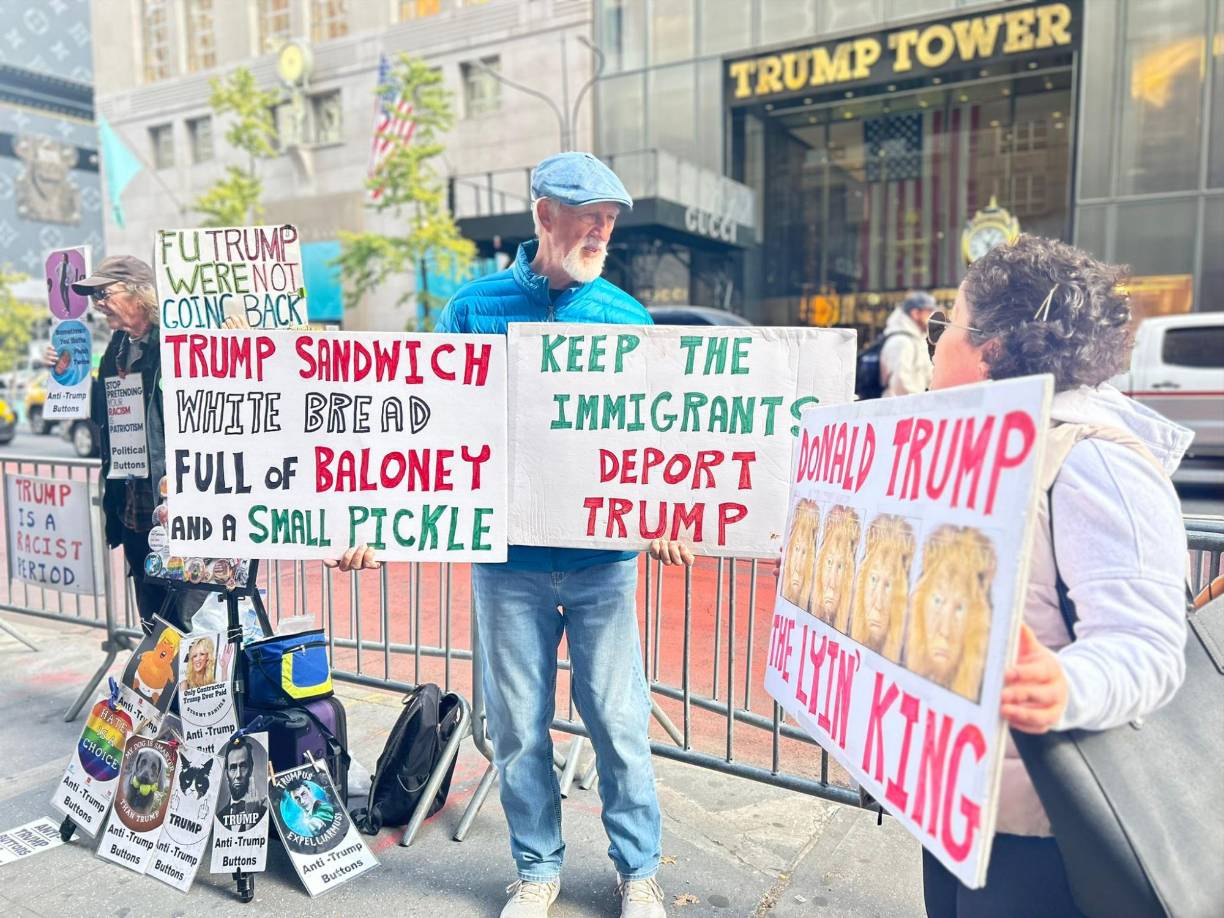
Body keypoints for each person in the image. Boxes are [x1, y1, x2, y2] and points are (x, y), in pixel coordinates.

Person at [332, 152, 694, 918]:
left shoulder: (629, 318)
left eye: (609, 217)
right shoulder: (471, 310)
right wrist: (371, 521)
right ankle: (537, 870)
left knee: (620, 723)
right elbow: (420, 433)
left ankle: (641, 874)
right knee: (520, 732)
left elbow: (654, 440)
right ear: (543, 216)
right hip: (508, 568)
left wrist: (664, 507)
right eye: (586, 213)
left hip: (603, 565)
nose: (601, 228)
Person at [921, 234, 1189, 916]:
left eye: (943, 324)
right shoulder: (960, 446)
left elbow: (1148, 645)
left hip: (1044, 827)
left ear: (991, 349)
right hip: (957, 799)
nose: (935, 341)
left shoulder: (1097, 462)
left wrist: (1067, 683)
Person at [65, 256, 194, 629]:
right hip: (134, 508)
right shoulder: (116, 349)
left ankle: (197, 688)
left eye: (104, 293)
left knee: (190, 621)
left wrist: (239, 335)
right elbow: (99, 415)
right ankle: (160, 686)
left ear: (141, 294)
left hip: (176, 507)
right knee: (153, 621)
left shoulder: (178, 342)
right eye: (93, 297)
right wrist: (65, 371)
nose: (98, 304)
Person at [879, 290, 935, 397]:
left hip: (912, 407)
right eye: (929, 313)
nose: (932, 318)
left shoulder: (917, 340)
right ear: (915, 314)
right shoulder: (901, 341)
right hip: (899, 409)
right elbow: (900, 384)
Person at [217, 736, 267, 832]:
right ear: (226, 774)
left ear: (251, 769)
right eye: (233, 768)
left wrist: (251, 818)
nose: (238, 775)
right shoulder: (218, 818)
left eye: (243, 766)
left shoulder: (264, 813)